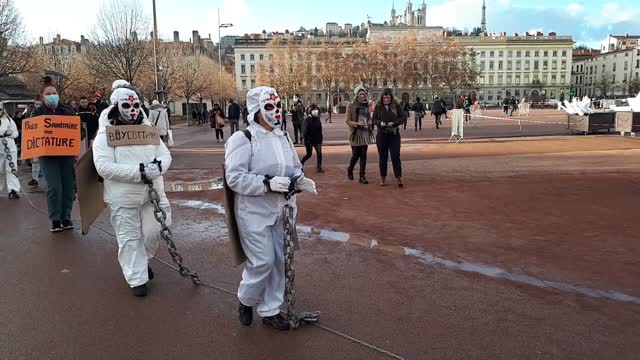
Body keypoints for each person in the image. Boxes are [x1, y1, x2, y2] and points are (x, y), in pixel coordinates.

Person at [225, 86, 317, 330]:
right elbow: (234, 177)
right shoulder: (242, 139)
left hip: (284, 210)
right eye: (269, 106)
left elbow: (294, 166)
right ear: (255, 110)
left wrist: (299, 180)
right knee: (263, 261)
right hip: (254, 212)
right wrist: (266, 184)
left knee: (280, 262)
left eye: (278, 106)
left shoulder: (283, 136)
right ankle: (246, 299)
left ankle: (270, 310)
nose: (275, 112)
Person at [93, 86, 172, 297]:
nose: (132, 110)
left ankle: (142, 262)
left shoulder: (148, 130)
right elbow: (104, 166)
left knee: (155, 230)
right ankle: (136, 278)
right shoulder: (105, 135)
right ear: (116, 107)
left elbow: (164, 154)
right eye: (126, 106)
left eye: (136, 105)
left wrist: (158, 167)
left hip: (153, 194)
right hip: (123, 197)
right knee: (129, 237)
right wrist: (138, 172)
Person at [30, 76, 77, 232]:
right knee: (54, 187)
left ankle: (66, 217)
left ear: (58, 94)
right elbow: (31, 134)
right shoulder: (37, 114)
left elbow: (79, 131)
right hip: (48, 156)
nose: (52, 96)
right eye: (48, 94)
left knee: (68, 187)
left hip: (67, 155)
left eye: (54, 93)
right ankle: (55, 219)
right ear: (43, 97)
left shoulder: (69, 111)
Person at [372, 88, 404, 187]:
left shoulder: (396, 105)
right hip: (382, 135)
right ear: (382, 98)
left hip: (394, 134)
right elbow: (374, 119)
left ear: (391, 97)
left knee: (395, 156)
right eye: (384, 98)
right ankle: (383, 177)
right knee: (383, 157)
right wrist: (379, 123)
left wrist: (394, 123)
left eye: (388, 98)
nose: (386, 100)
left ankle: (398, 177)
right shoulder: (378, 106)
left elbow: (403, 118)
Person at [346, 86, 374, 184]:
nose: (362, 96)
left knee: (363, 155)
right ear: (356, 95)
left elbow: (369, 117)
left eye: (363, 94)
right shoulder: (351, 105)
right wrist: (356, 124)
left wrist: (370, 122)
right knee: (355, 155)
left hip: (365, 132)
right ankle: (350, 169)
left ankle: (362, 176)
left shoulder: (366, 105)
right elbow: (347, 121)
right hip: (355, 133)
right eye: (360, 94)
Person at [0, 102, 20, 199]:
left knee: (11, 169)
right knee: (0, 170)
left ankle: (13, 190)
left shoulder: (9, 120)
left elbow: (16, 133)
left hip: (9, 148)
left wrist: (9, 133)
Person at [300, 104, 324, 173]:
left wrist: (320, 139)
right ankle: (300, 164)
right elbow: (304, 132)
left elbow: (320, 129)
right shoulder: (307, 121)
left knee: (319, 153)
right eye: (314, 110)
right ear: (310, 111)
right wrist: (307, 141)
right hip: (309, 141)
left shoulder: (318, 119)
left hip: (317, 140)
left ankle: (319, 168)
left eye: (316, 110)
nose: (315, 112)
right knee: (309, 154)